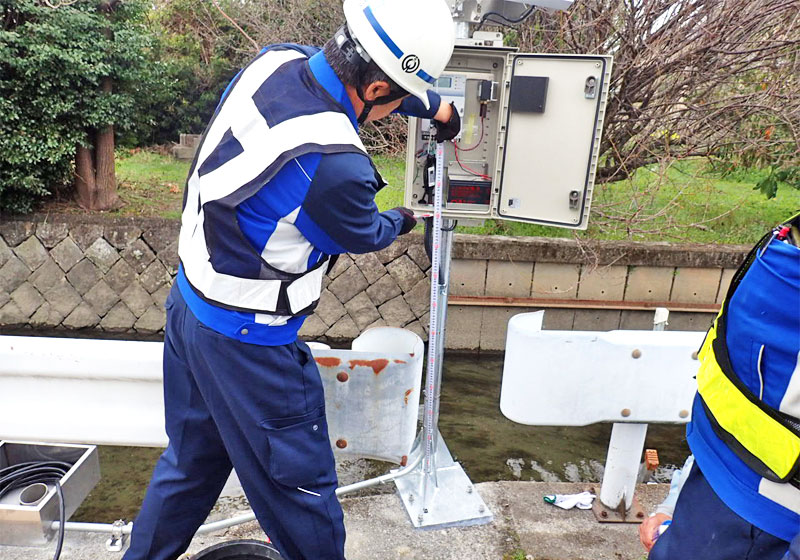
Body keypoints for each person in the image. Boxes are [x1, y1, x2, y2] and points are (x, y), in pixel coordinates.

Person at [122, 1, 460, 559]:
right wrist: (402, 219)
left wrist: (433, 105)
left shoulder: (275, 62)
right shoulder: (335, 164)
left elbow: (365, 76)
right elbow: (364, 231)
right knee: (302, 494)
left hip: (189, 309)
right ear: (377, 91)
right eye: (398, 96)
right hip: (250, 348)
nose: (397, 105)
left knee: (189, 468)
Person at [646, 214, 800, 560]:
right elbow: (736, 402)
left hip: (768, 523)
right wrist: (676, 499)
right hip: (711, 488)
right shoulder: (784, 244)